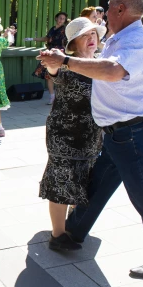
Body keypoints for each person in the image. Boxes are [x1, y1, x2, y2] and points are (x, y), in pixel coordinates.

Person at [39, 0, 143, 280]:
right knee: (99, 187)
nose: (103, 17)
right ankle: (73, 232)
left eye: (107, 10)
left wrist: (65, 60)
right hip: (117, 134)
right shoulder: (122, 38)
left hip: (133, 133)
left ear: (119, 10)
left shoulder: (136, 42)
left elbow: (113, 72)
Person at [39, 17, 104, 251]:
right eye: (85, 35)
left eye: (94, 34)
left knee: (83, 181)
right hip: (64, 135)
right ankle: (57, 235)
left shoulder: (102, 64)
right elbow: (54, 71)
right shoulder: (66, 65)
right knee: (61, 182)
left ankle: (73, 225)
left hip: (92, 136)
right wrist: (52, 63)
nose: (91, 39)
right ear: (73, 43)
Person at [30, 12, 68, 105]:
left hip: (60, 52)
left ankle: (61, 97)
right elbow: (46, 38)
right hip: (50, 52)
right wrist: (33, 39)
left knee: (61, 74)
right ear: (56, 18)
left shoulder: (65, 29)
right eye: (60, 18)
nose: (61, 20)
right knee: (48, 75)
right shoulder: (52, 29)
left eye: (63, 19)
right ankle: (52, 97)